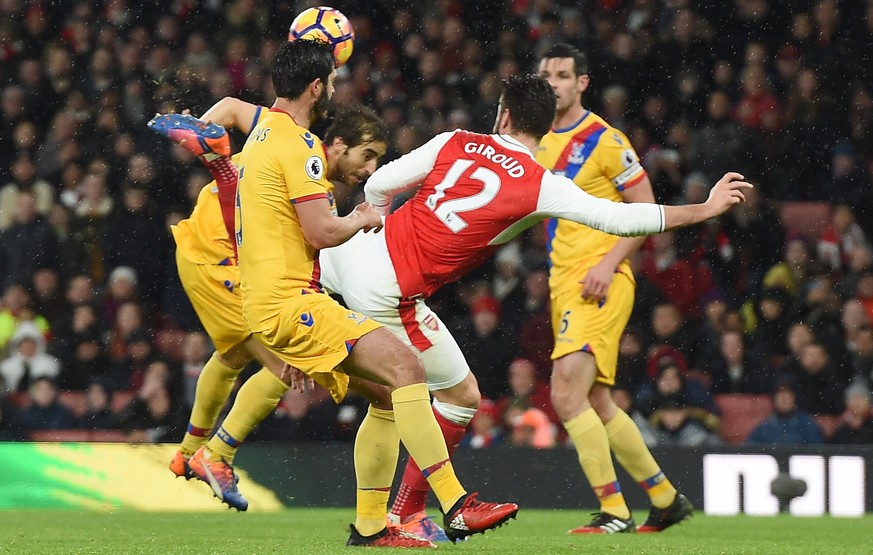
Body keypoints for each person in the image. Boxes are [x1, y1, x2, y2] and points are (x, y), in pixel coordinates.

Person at [179, 71, 751, 541]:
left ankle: (269, 471)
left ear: (501, 115)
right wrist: (702, 209)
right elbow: (619, 217)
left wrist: (378, 219)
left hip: (353, 254)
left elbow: (381, 181)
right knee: (452, 394)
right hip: (390, 288)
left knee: (360, 383)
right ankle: (412, 512)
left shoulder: (457, 140)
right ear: (544, 127)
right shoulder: (539, 182)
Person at [154, 40, 519, 548]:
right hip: (290, 302)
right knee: (407, 369)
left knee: (388, 395)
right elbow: (322, 232)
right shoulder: (301, 147)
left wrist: (208, 143)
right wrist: (362, 218)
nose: (333, 89)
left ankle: (371, 527)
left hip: (276, 299)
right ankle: (455, 504)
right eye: (331, 81)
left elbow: (237, 130)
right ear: (316, 87)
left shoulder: (262, 133)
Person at [535, 43, 692, 534]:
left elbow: (646, 213)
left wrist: (608, 262)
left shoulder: (604, 139)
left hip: (600, 280)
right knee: (597, 403)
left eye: (563, 75)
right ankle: (666, 500)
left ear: (582, 82)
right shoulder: (534, 141)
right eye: (546, 76)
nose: (553, 84)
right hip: (563, 282)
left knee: (565, 393)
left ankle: (614, 512)